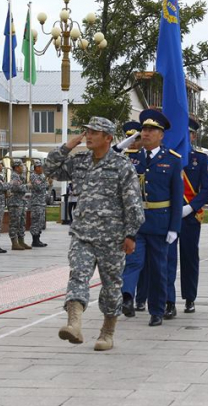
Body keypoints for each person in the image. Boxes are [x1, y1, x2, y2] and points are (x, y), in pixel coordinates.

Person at [44, 117, 144, 351]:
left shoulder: (121, 165)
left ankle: (107, 332)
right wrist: (67, 147)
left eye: (95, 133)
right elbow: (50, 169)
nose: (88, 136)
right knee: (78, 276)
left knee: (111, 287)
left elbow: (133, 204)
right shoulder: (80, 162)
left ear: (108, 138)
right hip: (82, 234)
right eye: (87, 131)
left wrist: (131, 235)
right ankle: (74, 324)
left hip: (113, 239)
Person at [120, 109, 183, 327]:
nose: (145, 133)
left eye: (151, 130)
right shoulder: (131, 158)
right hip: (136, 223)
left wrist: (174, 227)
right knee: (133, 261)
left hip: (160, 222)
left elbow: (176, 196)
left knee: (158, 269)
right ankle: (127, 297)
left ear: (161, 135)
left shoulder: (173, 160)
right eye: (144, 129)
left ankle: (157, 310)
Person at [165, 118, 208, 315]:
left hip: (190, 217)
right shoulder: (167, 156)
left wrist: (191, 207)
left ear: (193, 136)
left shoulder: (200, 159)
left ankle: (190, 298)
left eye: (189, 133)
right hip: (168, 214)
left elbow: (207, 188)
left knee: (189, 257)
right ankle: (169, 300)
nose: (185, 136)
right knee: (168, 258)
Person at [7, 159, 29, 250]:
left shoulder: (20, 176)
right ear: (16, 167)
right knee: (14, 223)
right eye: (21, 166)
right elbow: (17, 188)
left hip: (21, 202)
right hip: (15, 203)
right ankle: (14, 243)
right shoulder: (14, 176)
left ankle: (21, 241)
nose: (23, 168)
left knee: (21, 223)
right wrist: (28, 186)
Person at [29, 160, 50, 247]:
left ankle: (38, 238)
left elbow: (46, 188)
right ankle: (35, 240)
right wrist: (46, 183)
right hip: (36, 203)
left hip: (41, 202)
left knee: (40, 221)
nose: (42, 169)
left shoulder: (41, 176)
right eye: (41, 167)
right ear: (37, 168)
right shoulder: (34, 176)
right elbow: (38, 187)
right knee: (36, 221)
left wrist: (48, 183)